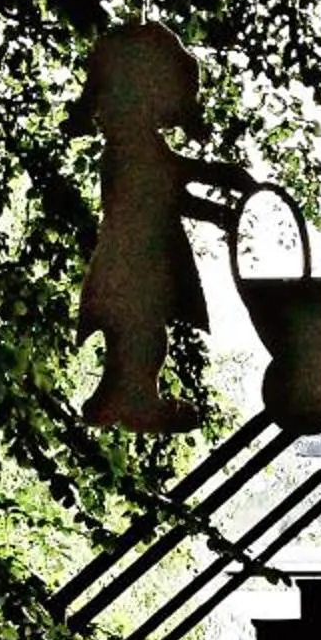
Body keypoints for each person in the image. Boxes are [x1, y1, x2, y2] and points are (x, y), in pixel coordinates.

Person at [74, 24, 251, 431]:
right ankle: (132, 401)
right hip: (134, 264)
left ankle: (117, 396)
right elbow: (173, 182)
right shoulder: (133, 147)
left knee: (139, 336)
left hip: (135, 262)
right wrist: (225, 179)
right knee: (144, 337)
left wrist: (219, 208)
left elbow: (171, 191)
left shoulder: (131, 144)